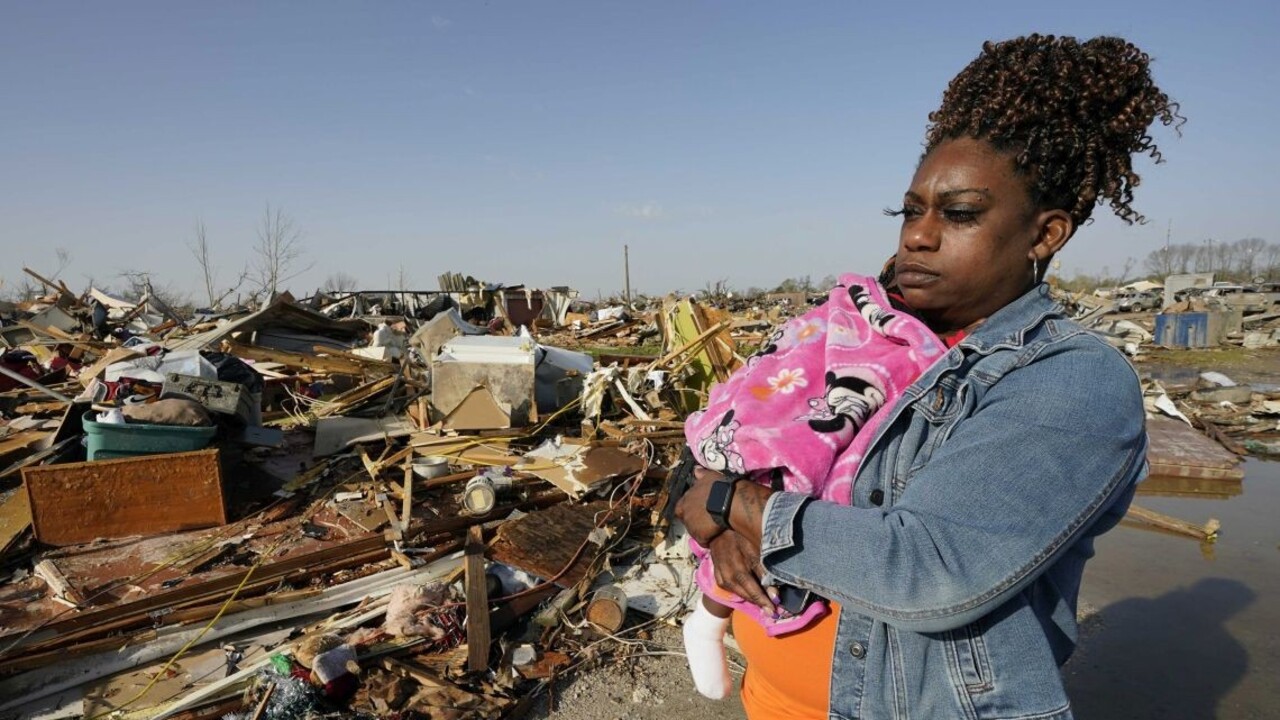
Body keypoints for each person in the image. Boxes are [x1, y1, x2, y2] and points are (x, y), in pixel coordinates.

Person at [676, 34, 1181, 719]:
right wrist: (718, 519)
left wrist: (735, 505)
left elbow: (929, 569)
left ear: (1045, 234)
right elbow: (723, 435)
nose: (918, 235)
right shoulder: (851, 332)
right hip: (769, 700)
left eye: (960, 214)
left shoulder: (1071, 381)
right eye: (911, 211)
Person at [680, 274, 949, 699]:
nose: (921, 243)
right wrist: (727, 505)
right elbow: (756, 392)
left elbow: (921, 560)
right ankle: (707, 621)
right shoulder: (833, 326)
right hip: (771, 694)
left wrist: (737, 504)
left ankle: (708, 621)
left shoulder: (990, 379)